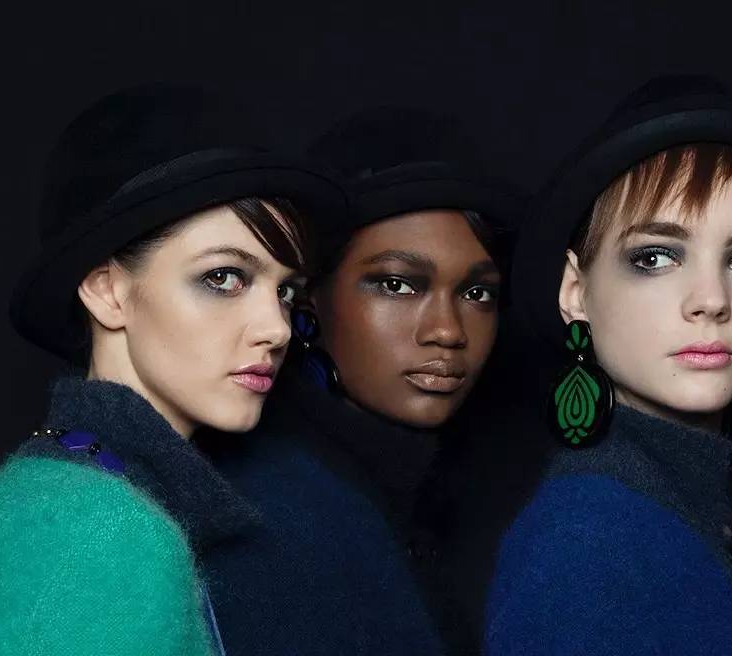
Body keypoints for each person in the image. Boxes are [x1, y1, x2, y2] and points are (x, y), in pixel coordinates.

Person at [0, 84, 345, 655]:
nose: (278, 328)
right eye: (223, 277)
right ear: (106, 290)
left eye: (286, 291)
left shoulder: (71, 501)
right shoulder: (96, 535)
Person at [484, 75, 732, 655]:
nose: (712, 300)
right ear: (575, 292)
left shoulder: (731, 516)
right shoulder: (585, 544)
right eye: (655, 257)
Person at [200, 107, 521, 655]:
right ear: (308, 299)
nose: (448, 331)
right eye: (396, 285)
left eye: (477, 293)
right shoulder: (275, 514)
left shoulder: (460, 493)